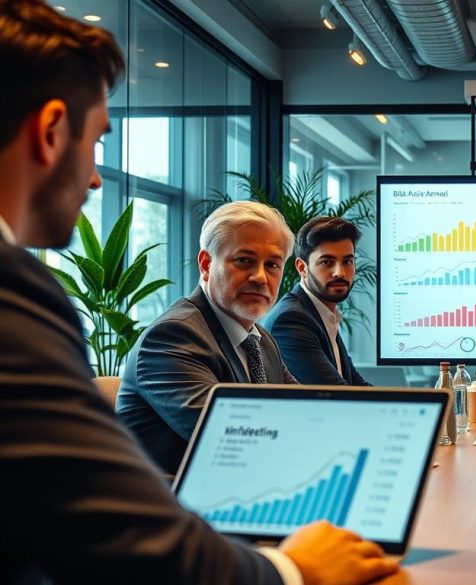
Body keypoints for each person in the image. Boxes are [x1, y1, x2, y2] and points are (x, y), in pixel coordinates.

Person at [0, 2, 397, 583]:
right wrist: (291, 571)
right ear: (52, 130)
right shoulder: (152, 332)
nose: (93, 178)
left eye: (273, 265)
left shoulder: (257, 336)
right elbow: (116, 512)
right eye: (96, 143)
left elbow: (302, 417)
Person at [116, 200, 299, 474]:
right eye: (244, 260)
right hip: (174, 505)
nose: (260, 277)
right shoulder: (172, 337)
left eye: (272, 264)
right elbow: (231, 441)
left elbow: (307, 412)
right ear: (206, 263)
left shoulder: (259, 339)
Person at [264, 216, 371, 386]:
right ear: (301, 268)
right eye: (327, 262)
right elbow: (338, 395)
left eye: (347, 261)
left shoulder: (323, 314)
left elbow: (357, 385)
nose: (340, 273)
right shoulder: (291, 320)